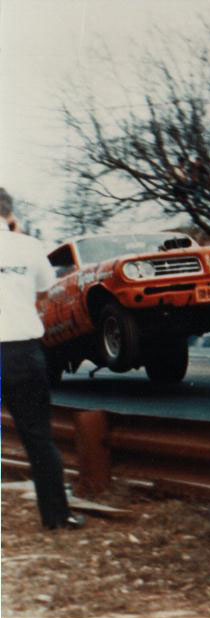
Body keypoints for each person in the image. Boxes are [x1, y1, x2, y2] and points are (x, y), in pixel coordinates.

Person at [0, 188, 84, 530]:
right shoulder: (30, 246)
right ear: (10, 214)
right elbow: (43, 292)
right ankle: (57, 516)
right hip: (22, 350)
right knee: (38, 436)